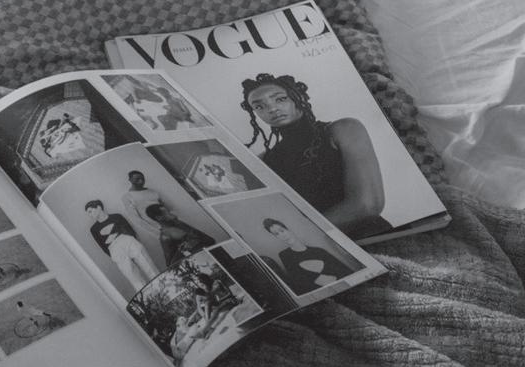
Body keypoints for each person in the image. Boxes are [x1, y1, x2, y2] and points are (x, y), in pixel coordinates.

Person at [240, 73, 391, 237]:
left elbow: (367, 205)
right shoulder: (264, 161)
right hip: (320, 245)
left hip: (375, 236)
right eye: (259, 107)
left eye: (280, 99)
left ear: (298, 97)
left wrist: (304, 235)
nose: (272, 109)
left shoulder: (344, 129)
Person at [263, 218, 354, 295]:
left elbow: (346, 272)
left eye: (282, 230)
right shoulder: (285, 255)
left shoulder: (319, 251)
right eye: (276, 234)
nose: (282, 235)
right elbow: (300, 284)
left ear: (288, 229)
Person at [85, 200, 160, 292]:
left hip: (129, 241)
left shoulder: (117, 217)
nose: (90, 215)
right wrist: (114, 255)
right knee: (132, 276)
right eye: (88, 213)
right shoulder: (94, 229)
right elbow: (103, 246)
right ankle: (148, 296)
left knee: (148, 265)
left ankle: (163, 285)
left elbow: (130, 231)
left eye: (90, 211)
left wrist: (132, 242)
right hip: (114, 249)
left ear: (98, 207)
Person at [145, 204, 215, 266]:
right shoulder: (165, 237)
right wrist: (182, 250)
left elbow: (210, 240)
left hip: (211, 253)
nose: (174, 215)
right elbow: (170, 264)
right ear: (159, 217)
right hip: (203, 262)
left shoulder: (179, 224)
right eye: (167, 212)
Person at [120, 170, 164, 236]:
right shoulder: (127, 197)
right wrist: (158, 232)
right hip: (158, 230)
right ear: (130, 180)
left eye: (142, 179)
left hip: (169, 223)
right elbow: (136, 219)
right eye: (137, 179)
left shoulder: (152, 191)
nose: (141, 181)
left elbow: (163, 207)